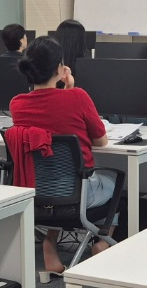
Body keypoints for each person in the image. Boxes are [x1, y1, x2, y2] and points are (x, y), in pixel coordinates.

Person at [10, 37, 118, 274]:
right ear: (59, 69)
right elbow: (100, 140)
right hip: (78, 195)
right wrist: (69, 87)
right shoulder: (77, 97)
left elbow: (48, 117)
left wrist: (64, 89)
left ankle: (50, 244)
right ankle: (102, 242)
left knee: (56, 179)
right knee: (115, 185)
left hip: (36, 192)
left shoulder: (17, 104)